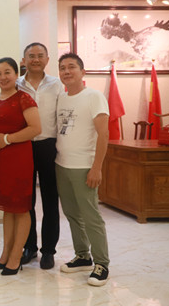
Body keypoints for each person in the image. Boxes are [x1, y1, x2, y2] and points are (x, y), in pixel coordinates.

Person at [55, 53, 110, 286]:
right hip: (61, 165)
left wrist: (97, 167)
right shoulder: (61, 97)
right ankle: (83, 256)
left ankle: (102, 263)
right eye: (62, 68)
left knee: (91, 216)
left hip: (84, 166)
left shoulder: (94, 97)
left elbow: (104, 134)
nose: (66, 71)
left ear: (82, 71)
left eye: (71, 67)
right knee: (71, 213)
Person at [0, 57, 41, 275]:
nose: (3, 77)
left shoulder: (24, 98)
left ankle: (16, 256)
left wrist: (7, 139)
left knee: (21, 208)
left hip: (19, 159)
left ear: (17, 74)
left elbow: (35, 128)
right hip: (0, 160)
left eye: (7, 72)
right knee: (8, 208)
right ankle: (5, 254)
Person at [17, 43, 63, 269]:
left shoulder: (57, 84)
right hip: (23, 146)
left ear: (47, 59)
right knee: (26, 200)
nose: (35, 59)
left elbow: (62, 117)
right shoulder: (16, 84)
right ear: (24, 60)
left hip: (49, 145)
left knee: (50, 199)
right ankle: (29, 247)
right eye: (31, 56)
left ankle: (48, 251)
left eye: (40, 56)